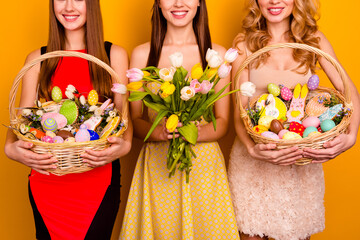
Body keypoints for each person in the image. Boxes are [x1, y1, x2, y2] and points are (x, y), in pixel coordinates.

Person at [228, 0, 360, 240]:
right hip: (255, 163)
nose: (274, 1)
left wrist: (351, 137)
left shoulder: (313, 41)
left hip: (299, 165)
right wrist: (251, 149)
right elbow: (239, 110)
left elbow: (347, 89)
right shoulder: (243, 44)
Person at [4, 0, 132, 239]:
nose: (69, 7)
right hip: (47, 183)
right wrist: (12, 150)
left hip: (98, 181)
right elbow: (19, 124)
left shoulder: (114, 55)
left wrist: (125, 145)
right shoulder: (38, 59)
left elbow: (124, 119)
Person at [120, 0, 239, 239]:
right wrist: (159, 132)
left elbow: (223, 121)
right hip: (157, 166)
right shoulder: (143, 53)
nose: (178, 3)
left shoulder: (216, 54)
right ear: (158, 4)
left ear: (198, 3)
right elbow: (134, 119)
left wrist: (191, 132)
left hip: (205, 169)